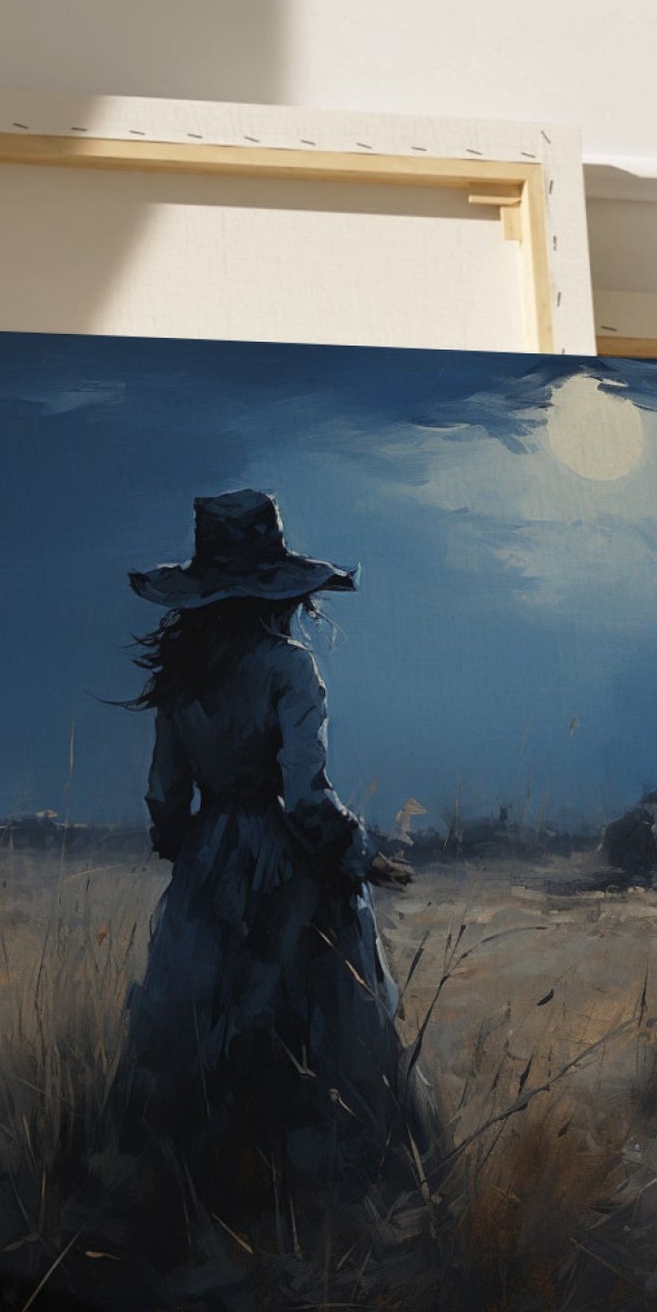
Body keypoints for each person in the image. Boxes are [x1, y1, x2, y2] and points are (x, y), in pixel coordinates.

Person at [119, 489, 432, 1240]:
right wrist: (362, 859)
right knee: (314, 1024)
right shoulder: (289, 669)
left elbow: (166, 792)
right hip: (286, 873)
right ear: (281, 593)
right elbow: (307, 799)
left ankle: (199, 1198)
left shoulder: (183, 679)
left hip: (207, 868)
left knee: (203, 1018)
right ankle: (320, 1201)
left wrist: (190, 849)